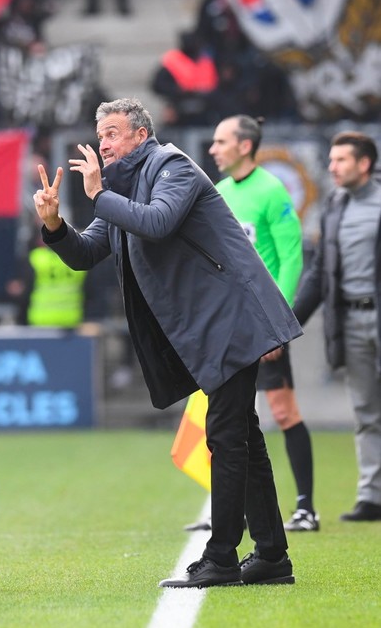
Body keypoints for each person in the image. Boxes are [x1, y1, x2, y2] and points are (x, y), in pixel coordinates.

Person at [33, 97, 302, 588]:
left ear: (141, 134)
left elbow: (157, 222)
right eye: (100, 135)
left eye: (113, 133)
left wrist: (98, 194)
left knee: (226, 435)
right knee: (242, 434)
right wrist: (54, 224)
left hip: (233, 317)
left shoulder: (171, 165)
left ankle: (222, 558)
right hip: (212, 324)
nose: (103, 144)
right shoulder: (120, 189)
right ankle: (271, 556)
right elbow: (87, 252)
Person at [208, 114, 319, 532]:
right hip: (229, 324)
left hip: (263, 324)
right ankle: (227, 511)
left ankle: (306, 507)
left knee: (283, 411)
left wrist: (277, 324)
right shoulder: (219, 192)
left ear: (244, 146)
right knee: (228, 418)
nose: (213, 149)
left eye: (221, 142)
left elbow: (291, 258)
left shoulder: (272, 190)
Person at [294, 131, 381, 522]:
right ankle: (372, 497)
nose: (332, 167)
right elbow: (319, 273)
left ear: (364, 163)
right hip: (350, 321)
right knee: (366, 411)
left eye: (341, 160)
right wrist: (289, 323)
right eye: (331, 160)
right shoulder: (334, 205)